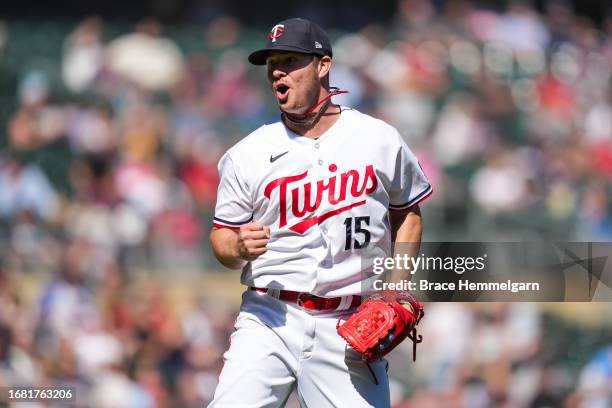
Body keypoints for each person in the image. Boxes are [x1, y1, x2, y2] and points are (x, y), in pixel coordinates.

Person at [209, 18, 432, 407]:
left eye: (290, 59)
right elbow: (221, 239)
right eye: (272, 62)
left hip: (350, 324)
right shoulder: (247, 154)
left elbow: (408, 212)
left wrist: (397, 286)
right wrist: (237, 246)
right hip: (269, 316)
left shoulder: (378, 139)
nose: (278, 70)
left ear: (323, 65)